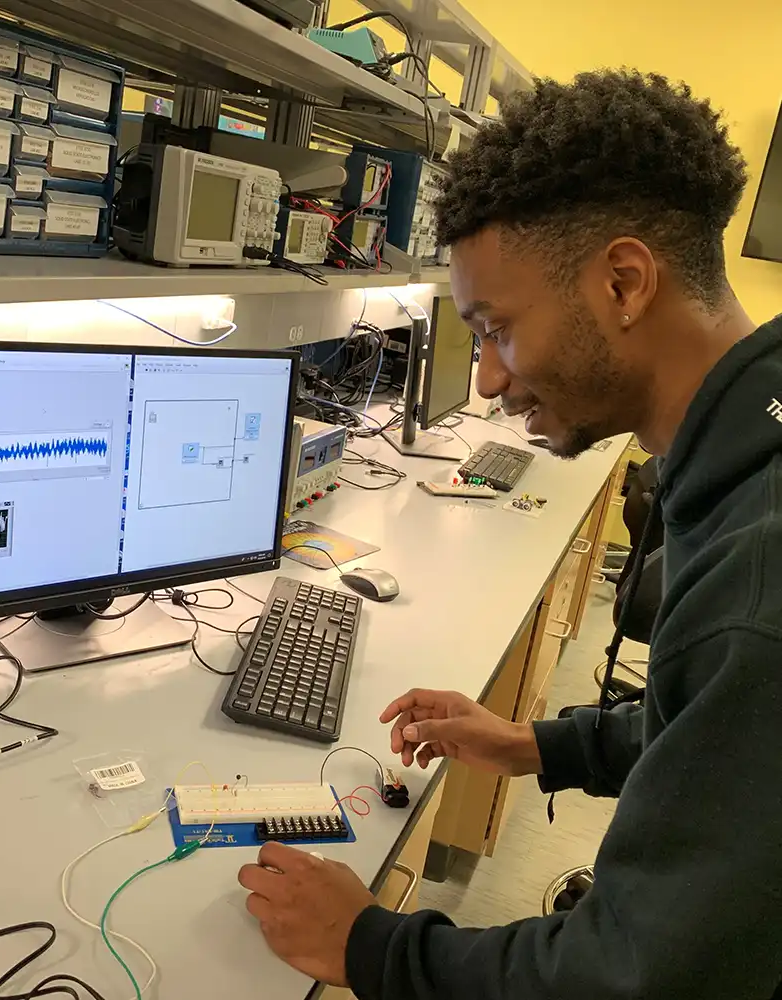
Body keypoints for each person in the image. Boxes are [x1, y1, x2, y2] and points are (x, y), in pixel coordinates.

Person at [238, 68, 782, 999]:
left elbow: (641, 979)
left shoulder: (757, 580)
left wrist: (370, 946)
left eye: (496, 330)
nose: (486, 381)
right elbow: (713, 729)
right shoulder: (744, 452)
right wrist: (540, 746)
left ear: (623, 281)